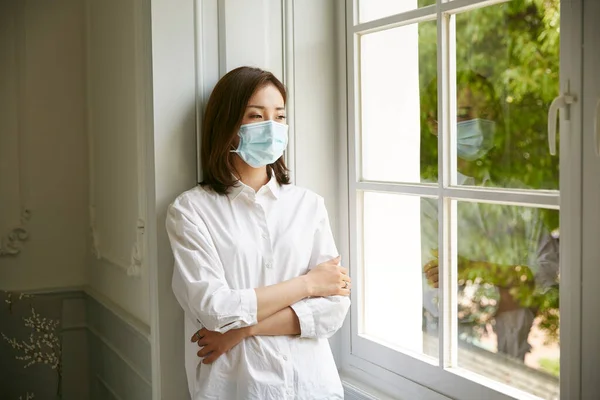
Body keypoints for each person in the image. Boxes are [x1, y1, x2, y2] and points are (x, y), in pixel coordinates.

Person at [166, 66, 351, 400]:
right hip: (238, 388)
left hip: (313, 386)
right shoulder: (190, 211)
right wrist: (307, 285)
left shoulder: (309, 205)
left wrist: (243, 330)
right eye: (256, 115)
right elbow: (216, 309)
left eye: (279, 116)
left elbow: (333, 309)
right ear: (228, 125)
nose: (272, 127)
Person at [420, 70, 560, 361]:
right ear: (434, 123)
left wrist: (471, 267)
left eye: (487, 114)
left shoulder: (517, 197)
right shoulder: (421, 201)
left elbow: (547, 272)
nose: (478, 124)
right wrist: (513, 275)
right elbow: (440, 289)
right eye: (463, 114)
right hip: (440, 359)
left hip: (514, 360)